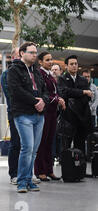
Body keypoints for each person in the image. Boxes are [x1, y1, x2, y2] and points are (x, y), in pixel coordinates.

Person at [7, 42, 49, 193]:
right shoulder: (13, 70)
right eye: (31, 52)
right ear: (22, 53)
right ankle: (22, 181)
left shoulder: (37, 71)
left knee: (34, 150)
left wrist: (43, 101)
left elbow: (45, 89)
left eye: (35, 52)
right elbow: (16, 91)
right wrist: (35, 102)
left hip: (39, 115)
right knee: (27, 148)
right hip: (23, 114)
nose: (34, 55)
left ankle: (29, 179)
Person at [34, 52, 64, 181]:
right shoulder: (39, 74)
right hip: (44, 111)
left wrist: (58, 98)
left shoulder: (50, 74)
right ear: (40, 61)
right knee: (42, 141)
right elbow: (43, 92)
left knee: (50, 141)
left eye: (51, 59)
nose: (50, 62)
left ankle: (49, 169)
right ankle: (40, 170)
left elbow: (54, 92)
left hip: (52, 112)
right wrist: (57, 99)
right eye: (47, 60)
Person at [58, 55, 93, 155]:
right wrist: (82, 92)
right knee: (66, 147)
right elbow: (64, 92)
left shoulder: (83, 79)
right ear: (66, 66)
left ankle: (80, 169)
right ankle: (66, 167)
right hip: (68, 117)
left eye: (76, 64)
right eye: (71, 64)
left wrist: (77, 95)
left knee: (80, 145)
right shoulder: (62, 79)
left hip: (82, 117)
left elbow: (89, 96)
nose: (74, 66)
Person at [1, 48, 22, 185]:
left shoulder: (28, 72)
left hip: (28, 113)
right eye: (21, 53)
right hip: (15, 112)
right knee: (15, 143)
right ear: (15, 56)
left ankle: (25, 173)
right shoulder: (6, 74)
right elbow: (10, 95)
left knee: (27, 145)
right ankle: (13, 174)